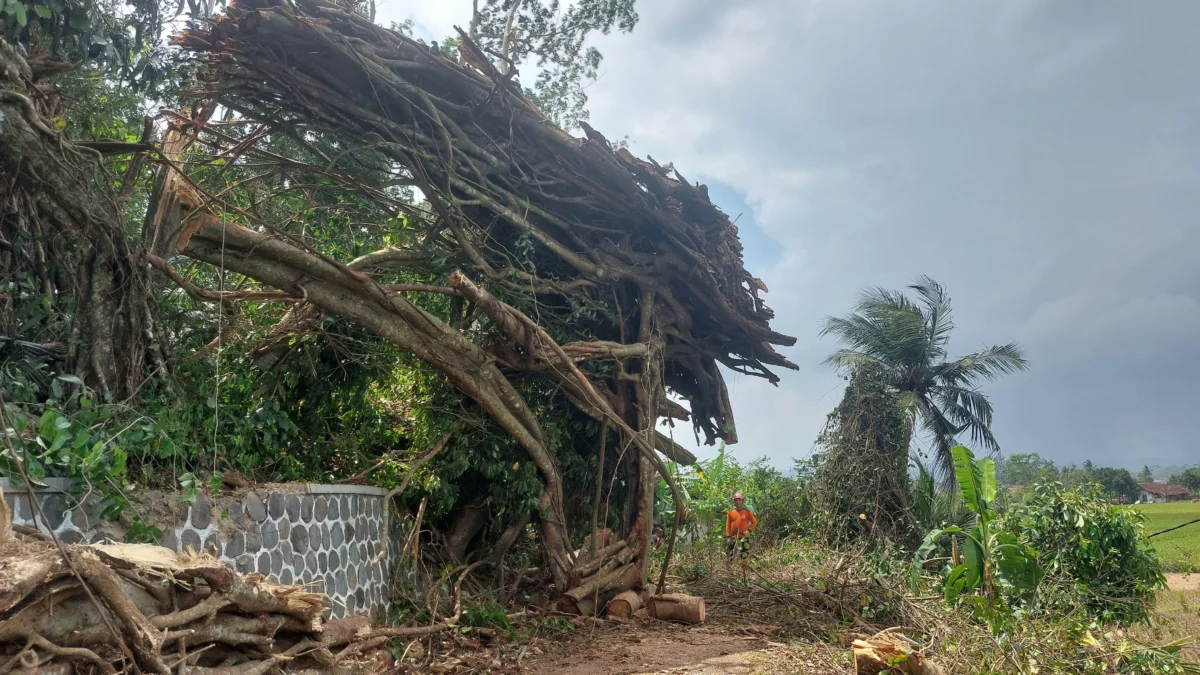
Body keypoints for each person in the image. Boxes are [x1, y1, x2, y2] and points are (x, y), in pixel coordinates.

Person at [724, 491, 757, 571]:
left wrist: (749, 531)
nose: (738, 502)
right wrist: (728, 536)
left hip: (744, 538)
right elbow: (728, 525)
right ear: (734, 501)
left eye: (739, 500)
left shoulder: (747, 512)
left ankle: (744, 572)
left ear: (742, 501)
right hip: (733, 537)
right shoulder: (730, 513)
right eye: (736, 500)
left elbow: (754, 522)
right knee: (729, 554)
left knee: (744, 555)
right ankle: (729, 571)